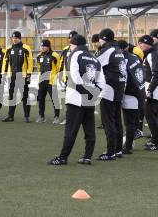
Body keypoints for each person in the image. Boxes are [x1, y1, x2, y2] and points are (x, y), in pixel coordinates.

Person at [47, 35, 105, 166]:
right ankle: (87, 157)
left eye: (70, 45)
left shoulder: (74, 55)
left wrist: (84, 91)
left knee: (71, 130)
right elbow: (102, 81)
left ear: (75, 45)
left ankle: (63, 157)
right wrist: (93, 92)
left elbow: (74, 77)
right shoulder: (94, 58)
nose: (69, 47)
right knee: (90, 130)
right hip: (90, 99)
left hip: (75, 99)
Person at [95, 28, 127, 160]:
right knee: (117, 120)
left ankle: (110, 152)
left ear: (104, 38)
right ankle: (118, 149)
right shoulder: (118, 49)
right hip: (120, 87)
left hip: (109, 88)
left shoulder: (107, 50)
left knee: (108, 121)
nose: (99, 41)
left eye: (100, 39)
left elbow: (94, 64)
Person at [118, 40, 145, 154]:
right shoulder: (135, 58)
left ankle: (127, 146)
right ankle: (130, 142)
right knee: (132, 122)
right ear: (127, 47)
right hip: (138, 92)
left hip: (127, 93)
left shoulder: (120, 59)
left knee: (127, 122)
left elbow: (123, 77)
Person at [2, 31, 33, 123]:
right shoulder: (9, 48)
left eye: (16, 38)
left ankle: (27, 116)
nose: (14, 39)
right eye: (13, 38)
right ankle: (10, 116)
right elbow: (5, 61)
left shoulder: (26, 48)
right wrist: (3, 73)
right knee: (12, 96)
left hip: (23, 76)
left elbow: (30, 61)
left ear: (20, 38)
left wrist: (29, 74)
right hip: (12, 76)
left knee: (25, 96)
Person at [138, 35, 158, 150]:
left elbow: (156, 74)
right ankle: (155, 139)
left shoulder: (152, 55)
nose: (139, 45)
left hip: (153, 91)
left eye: (141, 43)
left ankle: (155, 142)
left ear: (147, 44)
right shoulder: (151, 54)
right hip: (153, 90)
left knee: (151, 117)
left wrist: (149, 90)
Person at [36, 39, 61, 124]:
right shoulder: (39, 56)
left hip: (51, 81)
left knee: (54, 99)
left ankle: (56, 117)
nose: (42, 48)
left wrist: (54, 76)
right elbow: (39, 68)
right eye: (41, 46)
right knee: (41, 98)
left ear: (48, 47)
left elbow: (58, 68)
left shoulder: (54, 55)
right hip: (42, 81)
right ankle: (41, 116)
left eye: (44, 46)